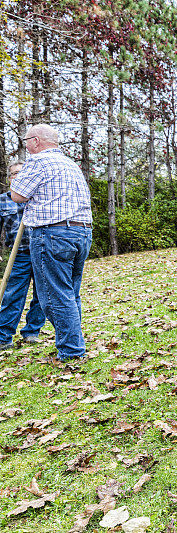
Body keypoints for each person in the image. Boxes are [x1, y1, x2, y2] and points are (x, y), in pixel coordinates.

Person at [10, 124, 93, 362]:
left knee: (53, 297)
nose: (25, 145)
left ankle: (72, 351)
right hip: (82, 233)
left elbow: (18, 195)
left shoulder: (37, 162)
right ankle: (73, 345)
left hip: (53, 234)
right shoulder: (71, 165)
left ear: (36, 141)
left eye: (26, 140)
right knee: (69, 294)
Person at [0, 162, 46, 350]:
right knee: (12, 294)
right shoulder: (3, 200)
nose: (17, 176)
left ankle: (32, 332)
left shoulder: (39, 198)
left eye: (21, 173)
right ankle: (4, 336)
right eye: (13, 174)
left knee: (41, 295)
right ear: (9, 178)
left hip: (42, 252)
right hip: (17, 255)